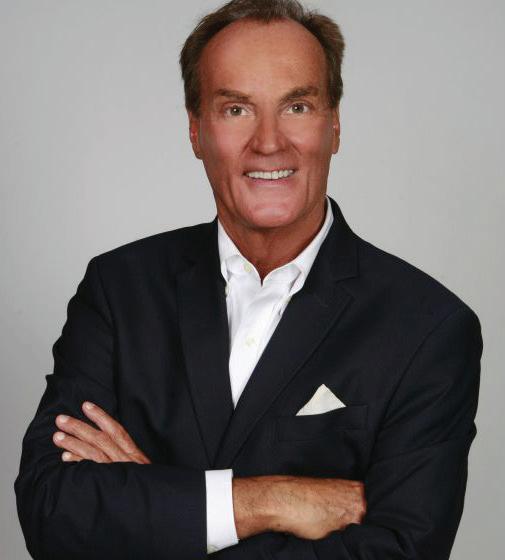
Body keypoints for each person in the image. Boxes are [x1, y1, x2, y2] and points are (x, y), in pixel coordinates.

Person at [15, 0, 483, 558]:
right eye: (236, 109)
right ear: (196, 130)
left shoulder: (429, 328)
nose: (269, 142)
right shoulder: (118, 290)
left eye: (297, 106)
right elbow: (51, 511)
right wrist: (268, 501)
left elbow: (400, 553)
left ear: (334, 124)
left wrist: (159, 507)